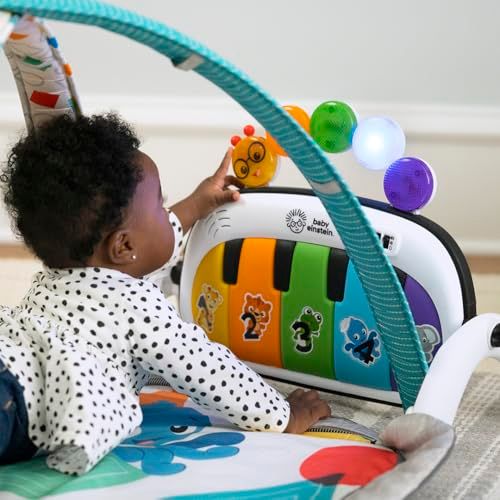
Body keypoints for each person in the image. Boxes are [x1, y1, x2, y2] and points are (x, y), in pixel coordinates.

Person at [0, 113, 331, 475]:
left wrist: (198, 203)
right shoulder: (136, 309)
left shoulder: (60, 274)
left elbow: (146, 247)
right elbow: (207, 368)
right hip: (15, 403)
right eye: (161, 206)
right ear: (124, 246)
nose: (168, 213)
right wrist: (282, 415)